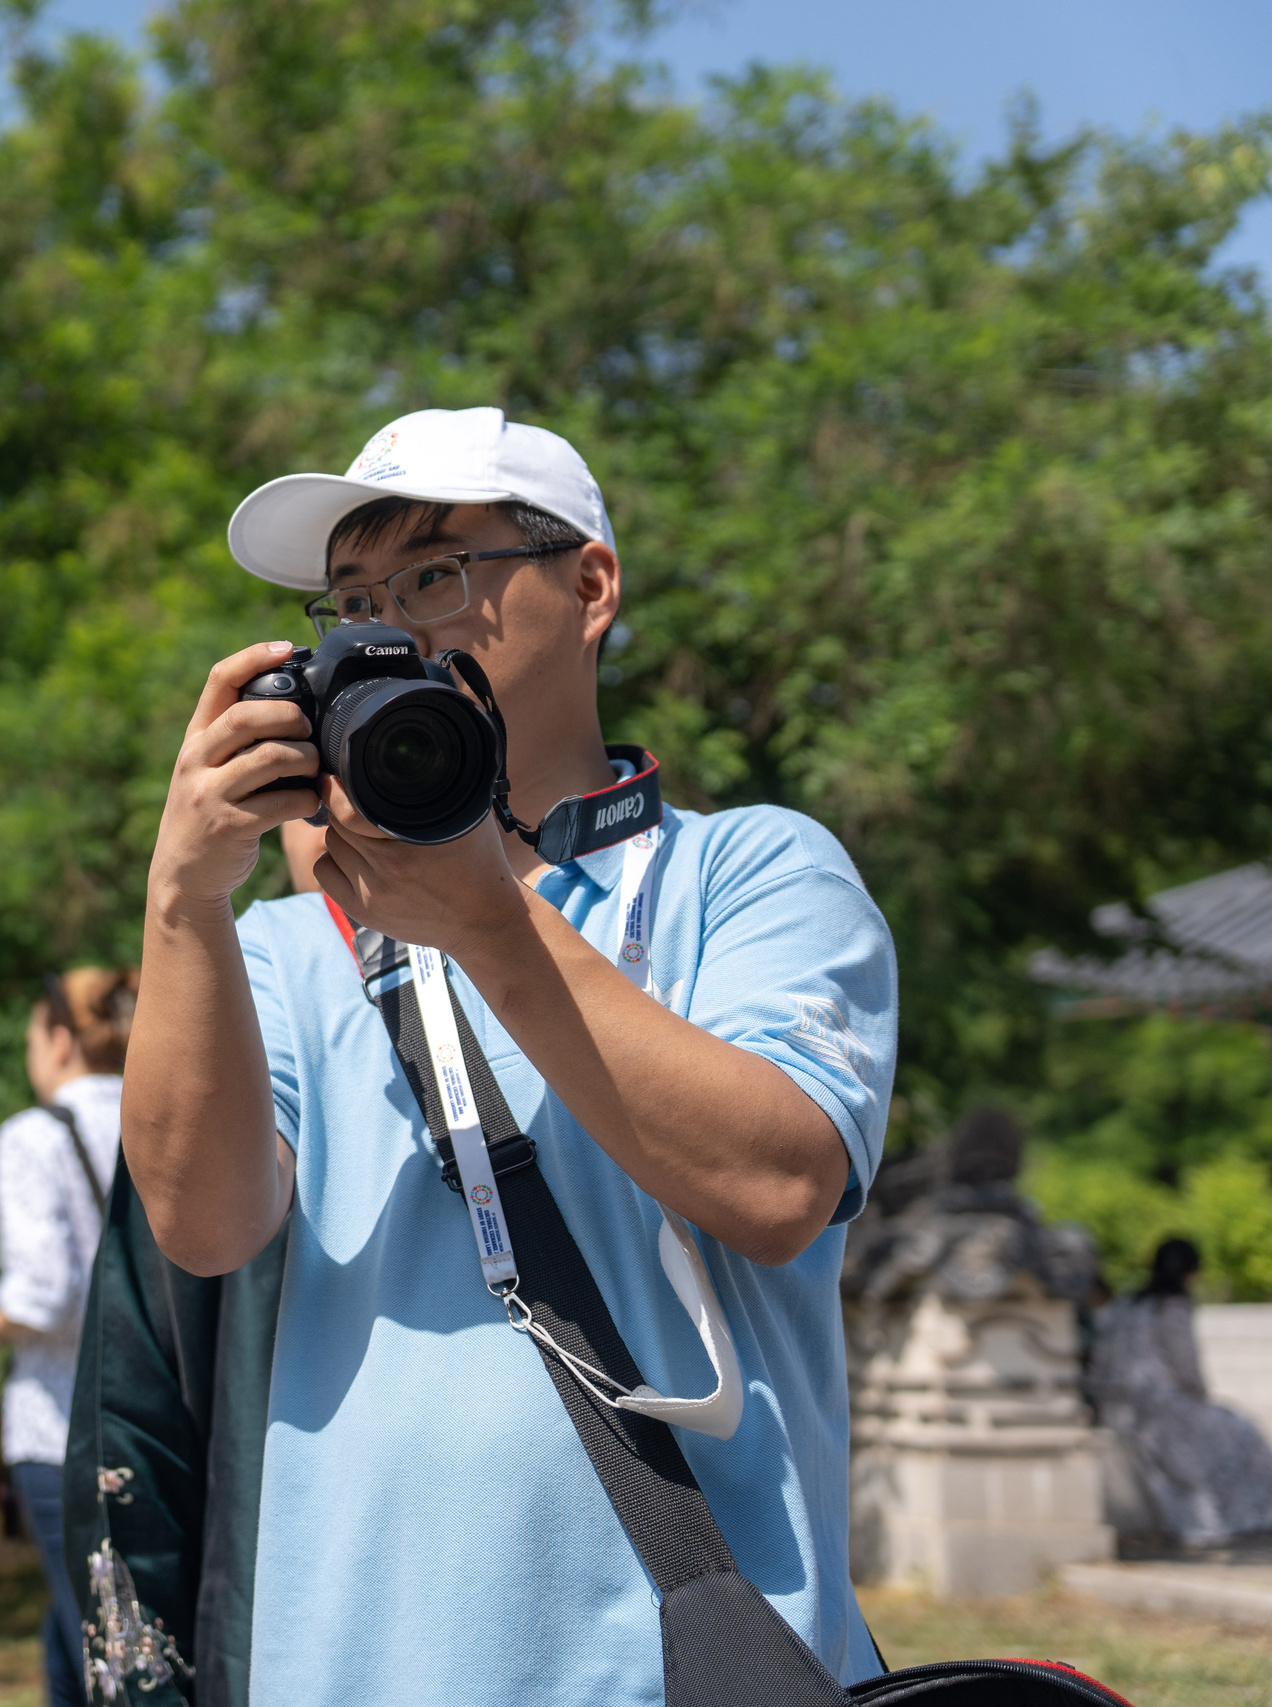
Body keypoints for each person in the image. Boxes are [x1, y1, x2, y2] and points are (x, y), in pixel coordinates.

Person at [125, 407, 899, 1701]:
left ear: (589, 584)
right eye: (352, 600)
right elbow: (202, 1226)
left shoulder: (750, 869)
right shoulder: (292, 939)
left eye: (434, 573)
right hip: (351, 1665)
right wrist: (182, 899)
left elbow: (779, 1190)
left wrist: (489, 916)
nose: (389, 630)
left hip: (685, 1667)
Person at [0, 967, 138, 1707]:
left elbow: (43, 1293)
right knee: (76, 1642)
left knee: (103, 1654)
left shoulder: (34, 1135)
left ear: (60, 1039)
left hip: (61, 1427)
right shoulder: (166, 1105)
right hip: (153, 1416)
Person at [1090, 1237, 1272, 1546]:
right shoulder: (1172, 1306)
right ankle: (1237, 1520)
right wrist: (1202, 1400)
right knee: (1243, 1431)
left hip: (1116, 1408)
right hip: (1160, 1410)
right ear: (1190, 1270)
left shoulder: (1126, 1303)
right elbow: (1187, 1370)